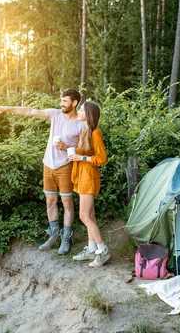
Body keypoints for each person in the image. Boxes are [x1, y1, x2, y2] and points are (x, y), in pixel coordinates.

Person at [0, 89, 84, 255]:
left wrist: (68, 147)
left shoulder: (80, 123)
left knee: (67, 203)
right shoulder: (55, 115)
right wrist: (5, 108)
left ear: (74, 103)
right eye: (61, 100)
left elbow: (86, 149)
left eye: (65, 101)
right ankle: (55, 235)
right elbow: (29, 111)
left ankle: (66, 238)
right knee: (50, 201)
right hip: (48, 165)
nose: (61, 104)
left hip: (66, 166)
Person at [67, 101, 110, 267]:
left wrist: (81, 158)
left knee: (84, 216)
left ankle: (103, 249)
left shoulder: (95, 133)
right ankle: (92, 248)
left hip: (89, 178)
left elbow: (101, 159)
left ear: (89, 114)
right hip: (82, 177)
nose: (78, 111)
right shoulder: (85, 131)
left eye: (81, 109)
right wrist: (74, 155)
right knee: (90, 216)